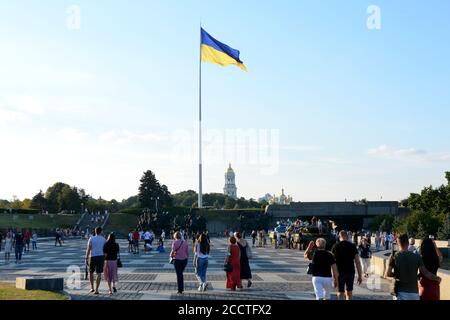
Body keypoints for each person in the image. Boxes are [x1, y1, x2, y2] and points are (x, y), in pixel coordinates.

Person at [385, 234, 441, 300]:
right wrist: (437, 278)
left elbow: (387, 274)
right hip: (414, 293)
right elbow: (426, 273)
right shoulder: (417, 257)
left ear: (397, 243)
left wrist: (398, 275)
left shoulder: (394, 257)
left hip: (400, 292)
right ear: (408, 243)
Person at [331, 231, 363, 300]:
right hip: (350, 272)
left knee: (340, 292)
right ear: (347, 237)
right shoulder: (352, 246)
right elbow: (357, 262)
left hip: (339, 272)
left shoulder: (335, 246)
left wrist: (334, 277)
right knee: (349, 292)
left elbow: (332, 263)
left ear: (339, 237)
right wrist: (360, 275)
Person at [85, 227, 106, 294]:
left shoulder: (91, 238)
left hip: (93, 256)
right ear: (101, 231)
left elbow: (88, 249)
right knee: (99, 273)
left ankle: (92, 287)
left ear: (95, 231)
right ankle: (97, 289)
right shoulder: (103, 239)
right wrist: (105, 258)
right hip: (101, 256)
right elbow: (105, 250)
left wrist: (86, 257)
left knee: (91, 272)